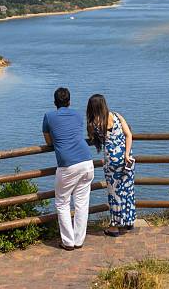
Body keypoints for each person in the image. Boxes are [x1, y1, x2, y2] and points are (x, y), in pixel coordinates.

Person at [43, 87, 94, 251]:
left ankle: (68, 242)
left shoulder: (49, 116)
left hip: (68, 165)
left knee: (62, 203)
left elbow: (49, 142)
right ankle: (79, 240)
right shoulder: (78, 115)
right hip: (86, 161)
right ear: (69, 101)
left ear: (54, 102)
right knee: (81, 204)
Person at [86, 94, 135, 237]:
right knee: (127, 190)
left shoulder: (95, 123)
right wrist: (126, 154)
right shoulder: (117, 116)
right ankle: (128, 221)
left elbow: (93, 139)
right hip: (127, 160)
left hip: (112, 162)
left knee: (114, 194)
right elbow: (128, 134)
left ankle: (114, 226)